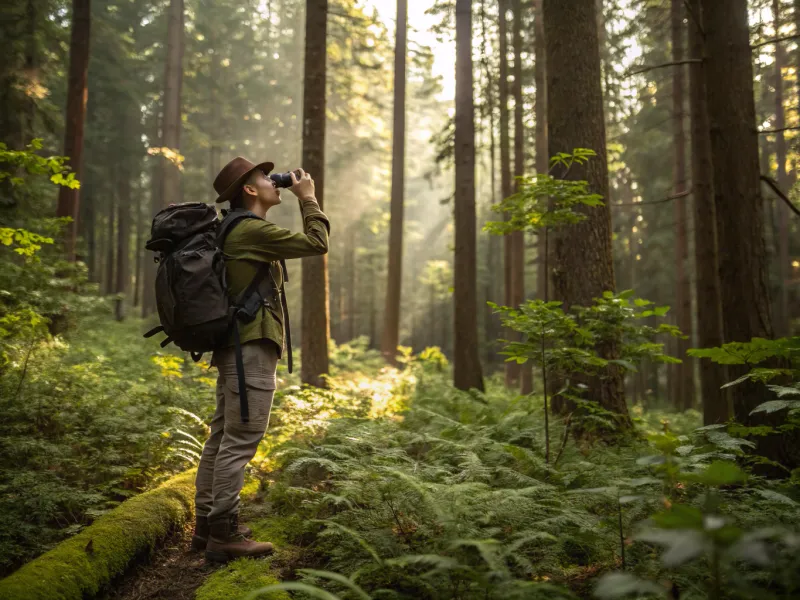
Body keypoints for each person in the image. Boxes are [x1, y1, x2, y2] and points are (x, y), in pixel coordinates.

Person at [192, 156, 329, 562]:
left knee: (221, 437)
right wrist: (309, 199)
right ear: (249, 190)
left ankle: (205, 528)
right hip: (250, 345)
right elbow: (317, 242)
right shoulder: (250, 230)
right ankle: (224, 535)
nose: (276, 182)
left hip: (235, 346)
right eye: (266, 178)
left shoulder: (235, 228)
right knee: (240, 440)